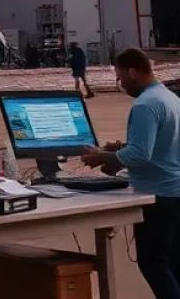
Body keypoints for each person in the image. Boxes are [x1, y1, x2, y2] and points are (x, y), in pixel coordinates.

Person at [82, 48, 180, 298]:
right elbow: (162, 145)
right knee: (174, 263)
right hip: (175, 191)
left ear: (133, 72)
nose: (120, 83)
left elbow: (140, 155)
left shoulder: (145, 104)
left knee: (153, 263)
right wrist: (122, 149)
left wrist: (102, 157)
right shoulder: (170, 98)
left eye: (120, 77)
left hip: (159, 195)